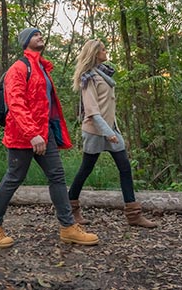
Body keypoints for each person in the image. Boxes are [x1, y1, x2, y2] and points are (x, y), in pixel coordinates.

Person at [0, 27, 99, 248]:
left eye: (40, 34)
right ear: (26, 41)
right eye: (35, 34)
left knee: (57, 176)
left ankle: (68, 227)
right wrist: (32, 133)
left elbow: (45, 105)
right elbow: (16, 104)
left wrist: (45, 133)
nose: (40, 36)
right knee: (14, 178)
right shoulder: (19, 68)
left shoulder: (42, 69)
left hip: (43, 134)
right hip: (22, 135)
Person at [68, 39, 157, 228]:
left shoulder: (103, 72)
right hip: (95, 131)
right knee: (86, 169)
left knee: (125, 168)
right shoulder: (88, 77)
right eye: (103, 49)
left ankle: (134, 215)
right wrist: (108, 133)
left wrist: (113, 130)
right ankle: (71, 208)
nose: (106, 51)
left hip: (111, 129)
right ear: (95, 53)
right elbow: (92, 111)